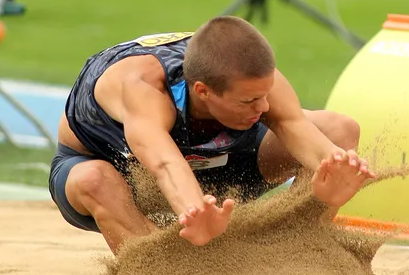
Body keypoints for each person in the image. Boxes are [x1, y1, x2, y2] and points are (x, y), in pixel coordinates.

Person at [49, 15, 375, 254]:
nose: (263, 107)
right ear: (203, 91)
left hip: (224, 164)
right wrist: (195, 213)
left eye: (265, 94)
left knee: (340, 130)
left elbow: (298, 129)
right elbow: (164, 164)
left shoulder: (253, 79)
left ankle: (295, 251)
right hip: (128, 179)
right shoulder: (145, 88)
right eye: (248, 101)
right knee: (92, 179)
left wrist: (331, 171)